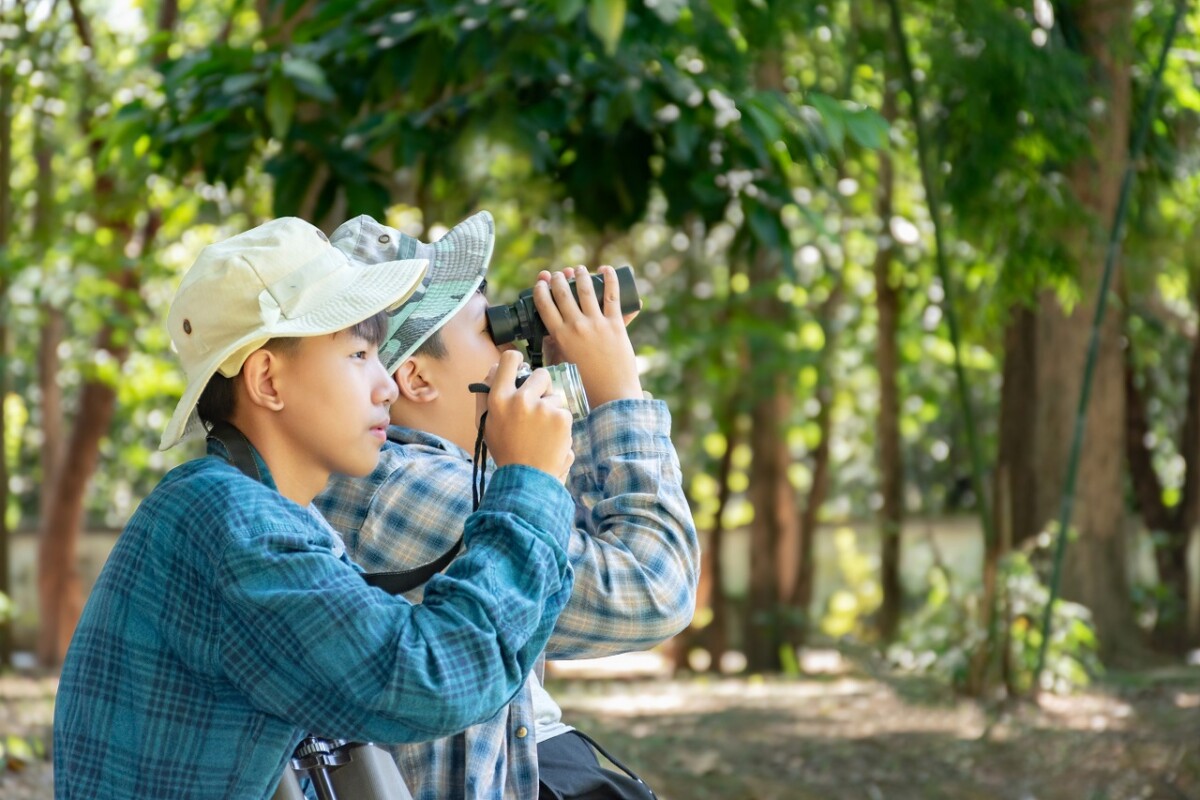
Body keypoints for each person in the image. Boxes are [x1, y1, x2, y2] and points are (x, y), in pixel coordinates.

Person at [53, 217, 580, 800]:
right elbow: (431, 684)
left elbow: (470, 675)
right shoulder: (230, 524)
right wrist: (529, 484)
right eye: (358, 354)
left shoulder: (258, 512)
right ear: (268, 381)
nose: (387, 387)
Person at [316, 211, 700, 800]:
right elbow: (652, 592)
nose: (507, 344)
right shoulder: (404, 489)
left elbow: (575, 540)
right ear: (415, 379)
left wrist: (565, 395)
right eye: (485, 328)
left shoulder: (425, 472)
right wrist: (619, 393)